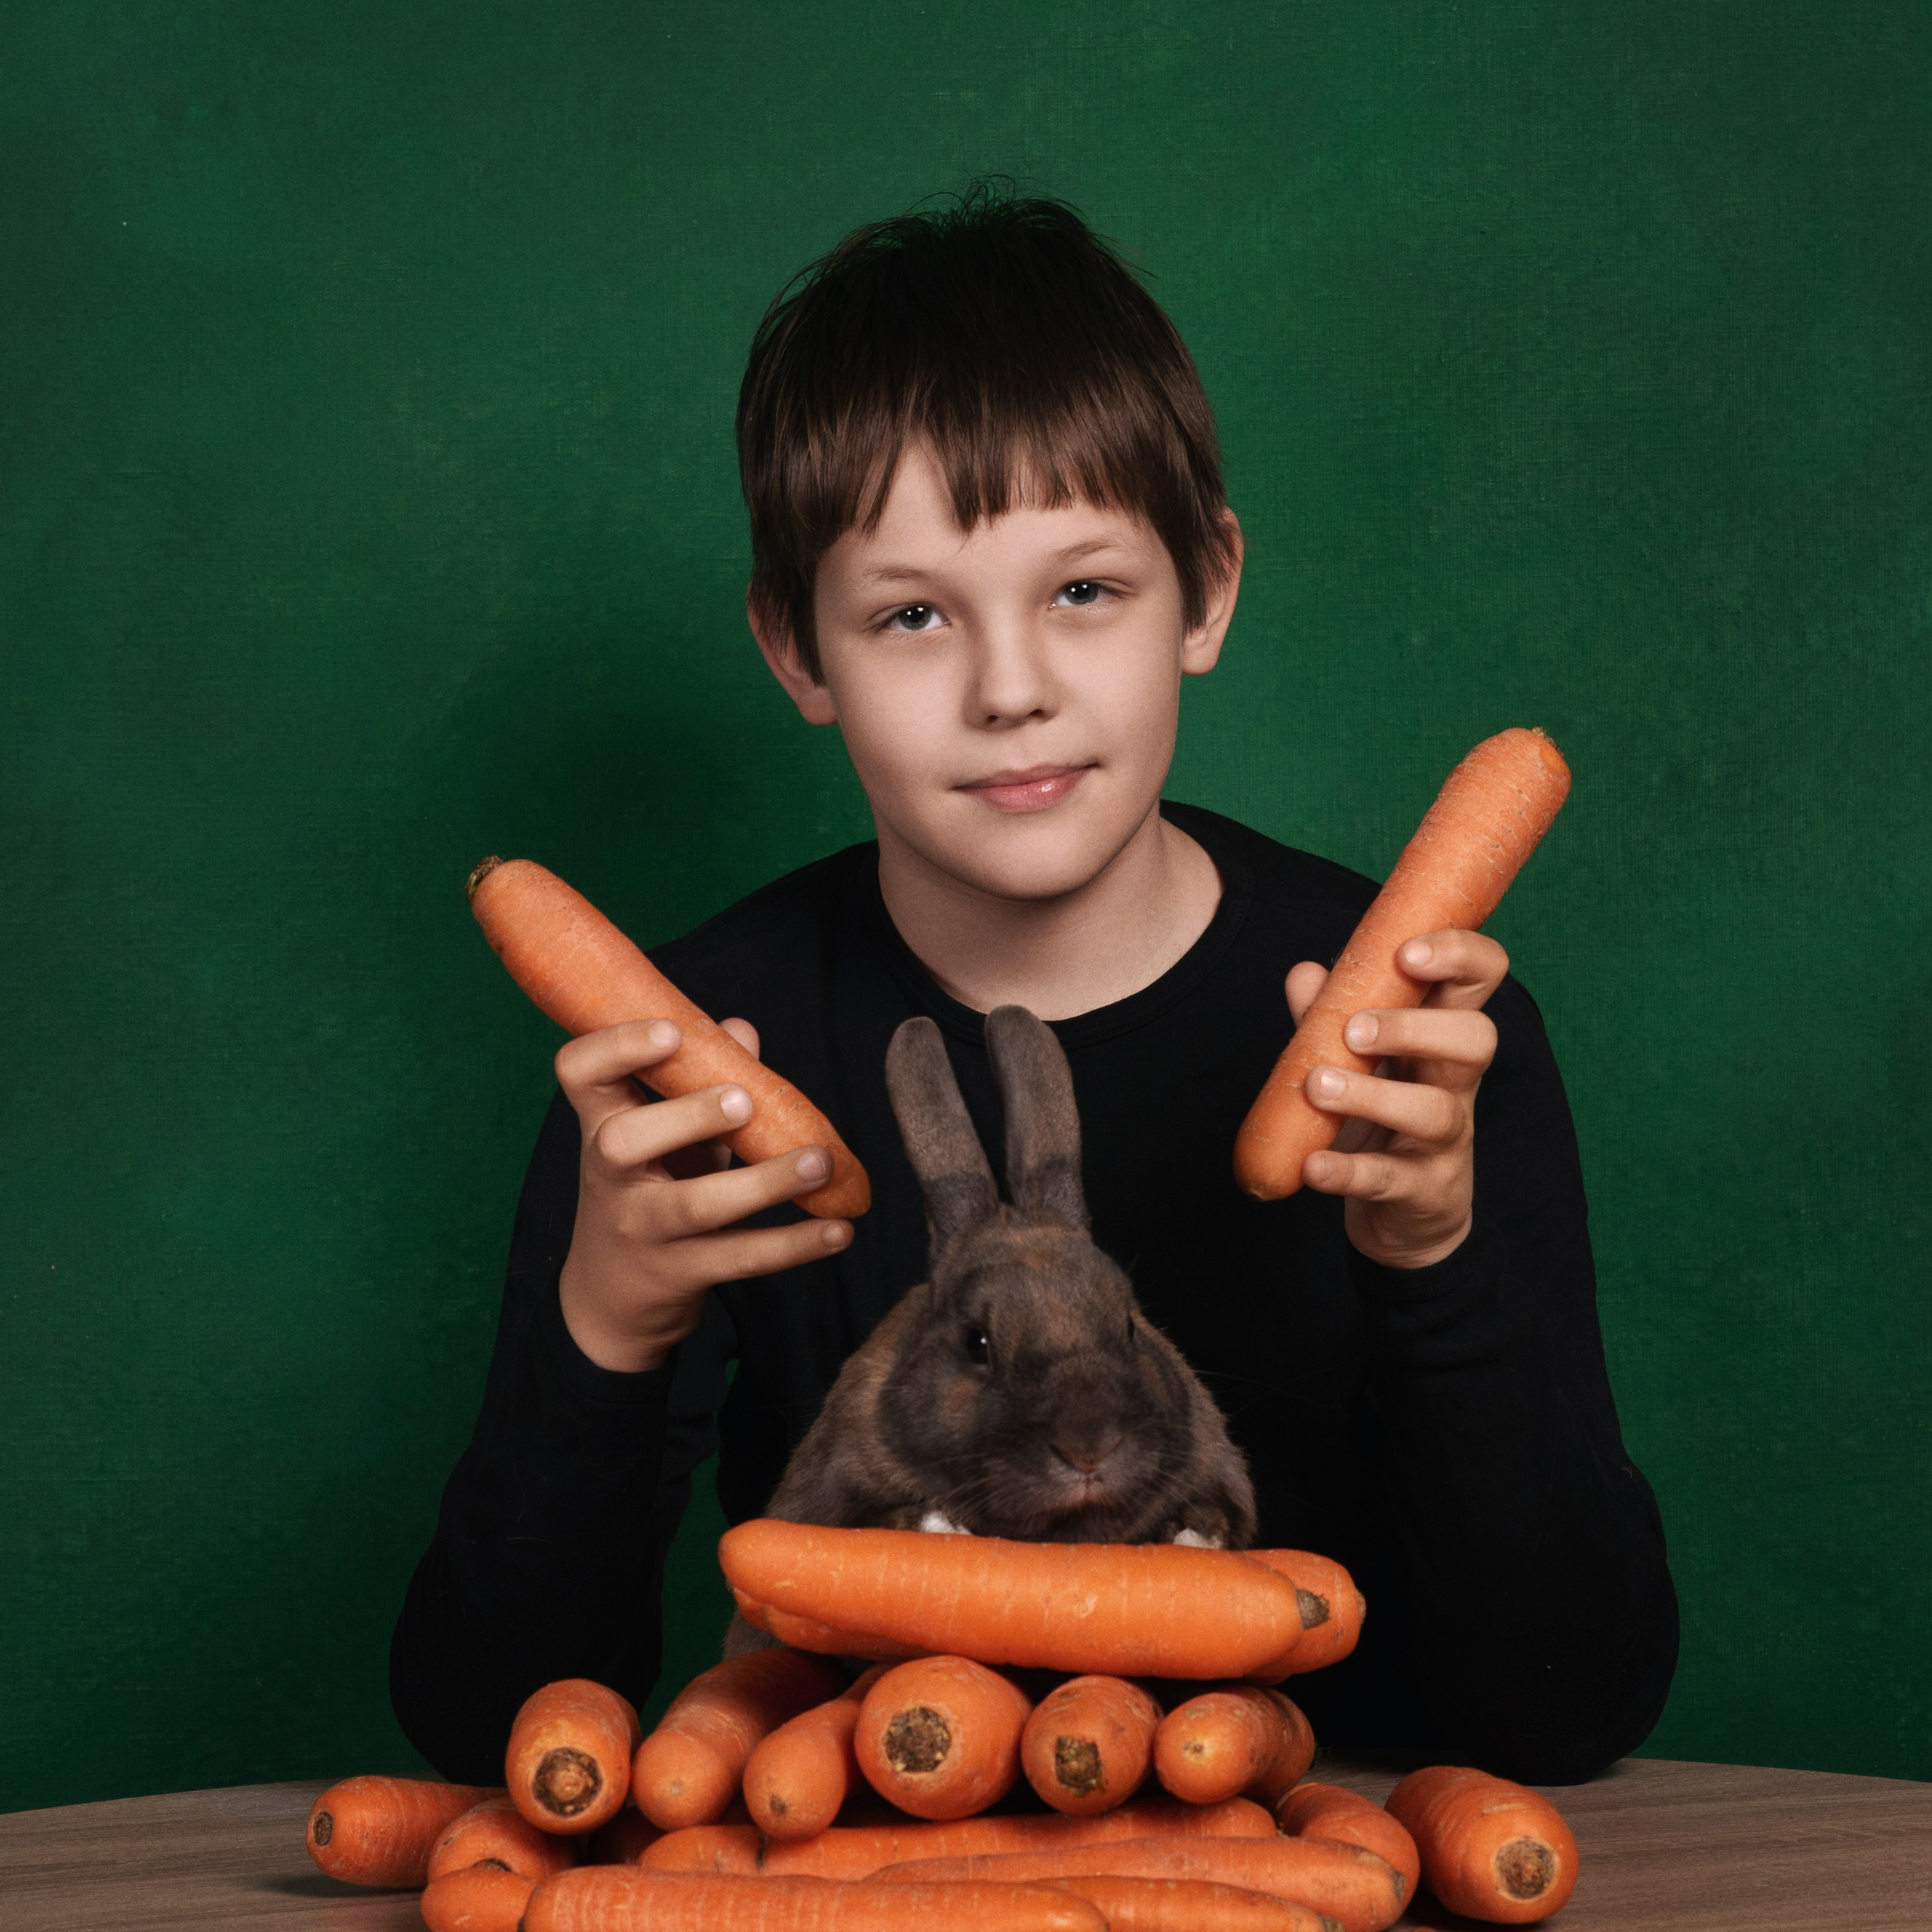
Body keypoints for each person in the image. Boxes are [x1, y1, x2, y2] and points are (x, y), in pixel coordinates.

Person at [392, 189, 1677, 1787]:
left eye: (1082, 591)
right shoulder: (696, 1060)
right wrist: (605, 1319)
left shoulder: (1406, 1037)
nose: (1010, 689)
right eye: (912, 614)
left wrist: (1433, 1251)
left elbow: (1570, 1704)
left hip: (1321, 1858)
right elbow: (487, 1728)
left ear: (1203, 592)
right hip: (879, 1862)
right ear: (797, 651)